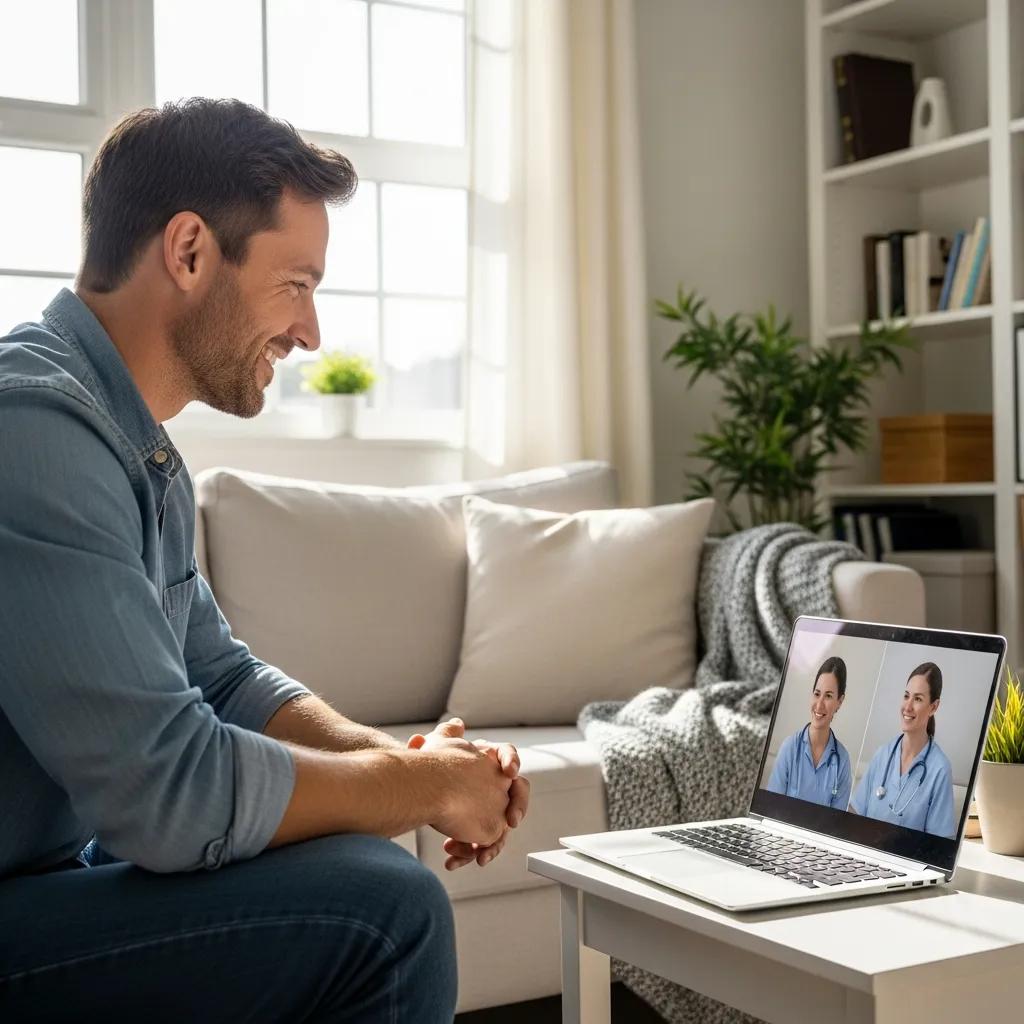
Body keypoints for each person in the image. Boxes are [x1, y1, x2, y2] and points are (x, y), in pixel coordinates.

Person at [0, 98, 530, 1022]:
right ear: (191, 251)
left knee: (359, 867)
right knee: (385, 912)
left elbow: (222, 677)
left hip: (47, 874)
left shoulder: (133, 443)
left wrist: (401, 760)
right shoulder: (35, 430)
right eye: (296, 284)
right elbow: (173, 791)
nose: (313, 332)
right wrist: (423, 784)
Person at [849, 662, 956, 838]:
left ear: (933, 707)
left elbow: (938, 844)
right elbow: (855, 812)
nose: (908, 706)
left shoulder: (939, 769)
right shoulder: (883, 754)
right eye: (906, 696)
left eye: (918, 699)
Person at [766, 657, 852, 809]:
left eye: (829, 696)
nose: (819, 705)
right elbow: (771, 808)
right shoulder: (790, 747)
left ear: (840, 701)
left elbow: (836, 823)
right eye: (817, 694)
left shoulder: (842, 760)